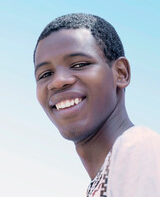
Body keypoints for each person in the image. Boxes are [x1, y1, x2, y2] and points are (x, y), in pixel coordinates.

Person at [33, 13, 160, 197]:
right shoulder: (106, 177)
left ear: (121, 73)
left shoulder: (136, 148)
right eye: (45, 74)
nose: (58, 81)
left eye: (79, 64)